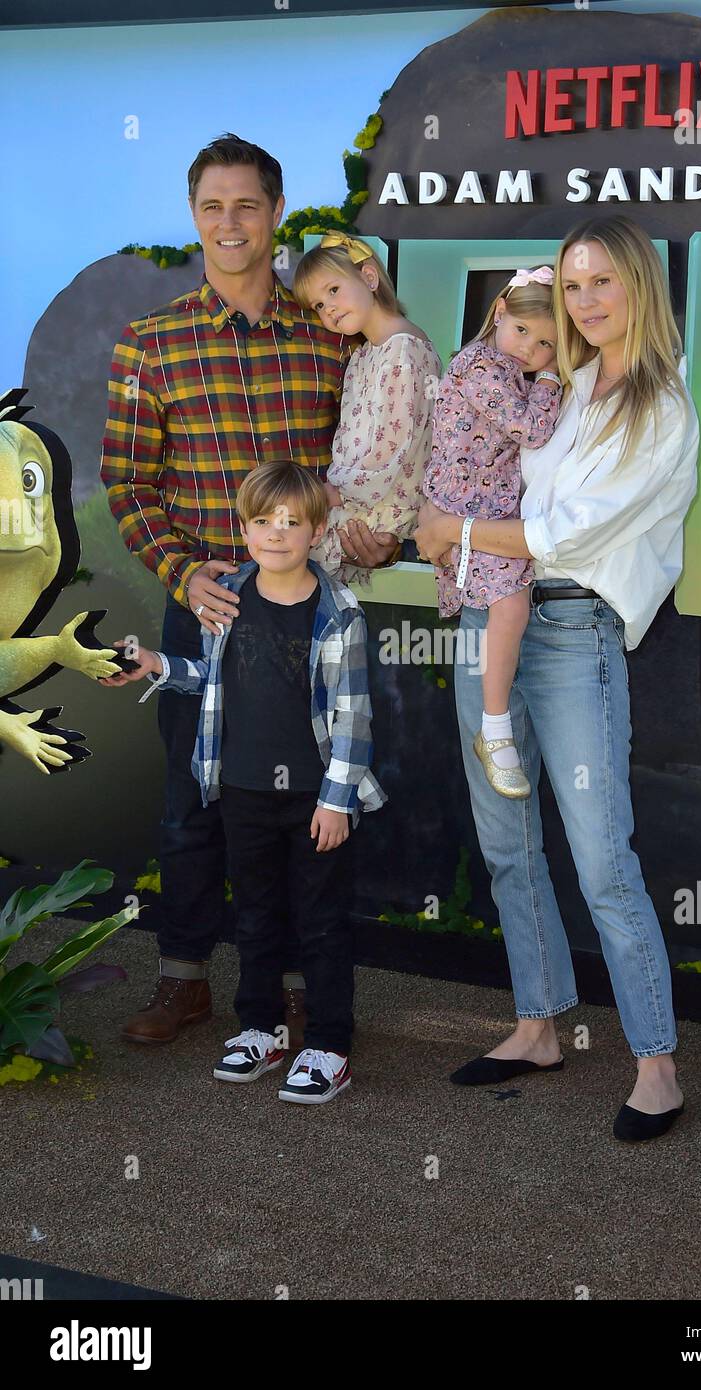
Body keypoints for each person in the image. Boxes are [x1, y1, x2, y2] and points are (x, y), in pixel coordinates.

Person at [99, 134, 396, 1047]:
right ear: (194, 217)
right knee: (194, 805)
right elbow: (127, 484)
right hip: (205, 608)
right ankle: (184, 979)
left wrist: (378, 534)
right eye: (211, 207)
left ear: (275, 213)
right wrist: (186, 575)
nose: (229, 224)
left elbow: (371, 460)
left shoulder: (327, 335)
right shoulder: (149, 344)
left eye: (247, 206)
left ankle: (303, 990)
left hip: (309, 614)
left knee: (310, 800)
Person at [414, 216, 701, 1142]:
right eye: (572, 285)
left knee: (601, 858)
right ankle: (538, 1026)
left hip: (574, 628)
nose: (583, 302)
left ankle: (656, 1065)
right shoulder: (558, 380)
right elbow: (483, 411)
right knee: (506, 839)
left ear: (641, 288)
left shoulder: (662, 405)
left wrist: (446, 531)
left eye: (602, 283)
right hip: (493, 612)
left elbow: (562, 534)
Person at [101, 461, 385, 1104]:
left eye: (292, 523)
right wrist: (153, 664)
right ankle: (261, 1028)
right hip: (242, 792)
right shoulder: (228, 596)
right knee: (255, 916)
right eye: (263, 521)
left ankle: (329, 1044)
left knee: (320, 921)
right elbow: (207, 679)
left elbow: (354, 716)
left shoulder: (338, 612)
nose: (276, 534)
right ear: (244, 526)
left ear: (317, 532)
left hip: (317, 801)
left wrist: (337, 801)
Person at [423, 266, 561, 799]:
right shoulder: (484, 365)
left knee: (506, 609)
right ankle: (496, 728)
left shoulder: (498, 365)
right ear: (499, 310)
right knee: (510, 607)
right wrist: (551, 380)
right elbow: (532, 428)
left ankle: (497, 724)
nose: (530, 349)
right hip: (467, 507)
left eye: (547, 344)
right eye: (523, 330)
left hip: (476, 503)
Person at [292, 230, 441, 588]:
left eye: (333, 291)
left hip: (381, 506)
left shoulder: (403, 350)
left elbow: (395, 445)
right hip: (358, 501)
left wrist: (337, 490)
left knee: (288, 552)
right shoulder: (364, 354)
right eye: (318, 305)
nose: (329, 309)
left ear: (369, 277)